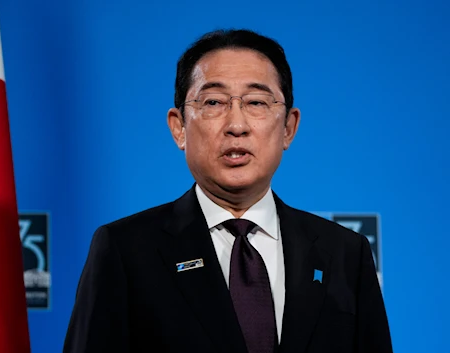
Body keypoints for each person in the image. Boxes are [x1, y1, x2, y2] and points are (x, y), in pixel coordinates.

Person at [63, 29, 393, 353]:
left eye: (256, 102)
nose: (236, 125)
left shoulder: (345, 253)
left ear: (288, 128)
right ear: (179, 127)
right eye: (214, 101)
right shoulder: (125, 251)